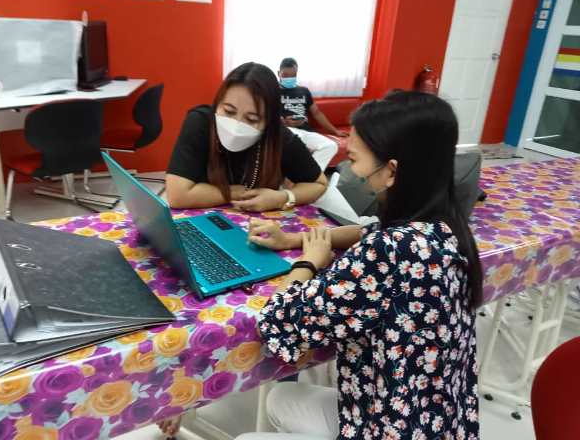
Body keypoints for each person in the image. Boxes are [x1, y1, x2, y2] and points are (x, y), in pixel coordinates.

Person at [237, 90, 482, 440]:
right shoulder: (448, 228)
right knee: (280, 399)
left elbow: (279, 322)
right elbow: (371, 230)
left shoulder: (388, 253)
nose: (350, 171)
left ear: (391, 171)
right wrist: (292, 239)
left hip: (388, 427)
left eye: (354, 159)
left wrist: (308, 262)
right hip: (433, 420)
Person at [166, 62, 328, 212]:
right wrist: (233, 192)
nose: (236, 126)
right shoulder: (200, 122)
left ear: (268, 122)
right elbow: (177, 195)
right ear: (217, 104)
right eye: (228, 111)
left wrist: (282, 197)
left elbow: (318, 184)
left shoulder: (278, 137)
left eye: (252, 119)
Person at [278, 57, 347, 171]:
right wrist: (283, 123)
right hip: (286, 130)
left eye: (293, 75)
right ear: (279, 74)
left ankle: (310, 175)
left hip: (305, 130)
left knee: (331, 146)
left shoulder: (304, 91)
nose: (289, 78)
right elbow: (267, 114)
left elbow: (317, 113)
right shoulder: (273, 91)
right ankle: (307, 175)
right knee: (297, 142)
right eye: (285, 75)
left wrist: (335, 131)